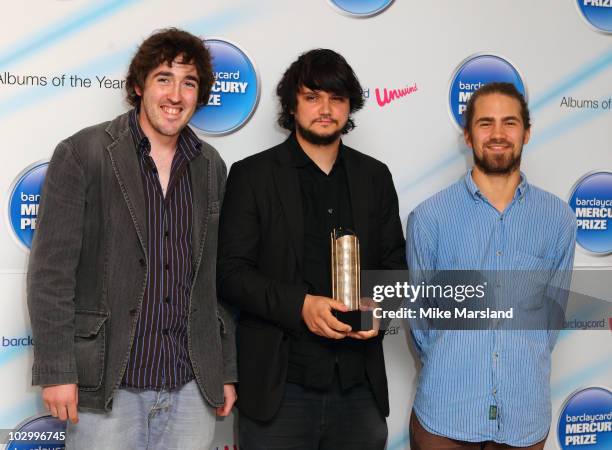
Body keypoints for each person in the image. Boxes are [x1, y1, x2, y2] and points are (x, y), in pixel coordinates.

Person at [27, 28, 236, 450]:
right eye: (164, 78)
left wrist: (225, 370)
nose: (175, 94)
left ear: (200, 95)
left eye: (189, 82)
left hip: (190, 385)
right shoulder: (84, 153)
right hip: (107, 385)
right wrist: (56, 369)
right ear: (139, 86)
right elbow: (50, 273)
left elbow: (217, 281)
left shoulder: (211, 166)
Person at [217, 49, 406, 449]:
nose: (325, 109)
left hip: (359, 390)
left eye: (336, 99)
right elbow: (230, 275)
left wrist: (379, 309)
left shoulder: (375, 176)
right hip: (279, 389)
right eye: (312, 97)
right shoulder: (252, 175)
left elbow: (396, 270)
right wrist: (300, 304)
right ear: (292, 104)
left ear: (349, 107)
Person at [406, 82, 576, 449]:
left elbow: (552, 317)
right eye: (485, 123)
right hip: (445, 417)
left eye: (509, 122)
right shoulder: (430, 217)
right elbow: (419, 320)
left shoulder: (558, 218)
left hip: (524, 418)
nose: (498, 134)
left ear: (526, 132)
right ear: (468, 135)